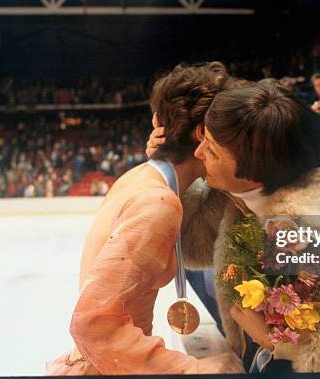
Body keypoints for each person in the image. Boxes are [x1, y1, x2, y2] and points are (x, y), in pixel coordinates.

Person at [151, 83, 320, 372]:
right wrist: (171, 167)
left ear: (252, 176)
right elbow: (195, 245)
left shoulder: (313, 233)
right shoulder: (265, 176)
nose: (198, 152)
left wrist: (274, 341)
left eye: (212, 150)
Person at [45, 62, 244, 376]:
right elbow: (91, 324)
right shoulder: (158, 201)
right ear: (203, 134)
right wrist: (188, 369)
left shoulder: (143, 177)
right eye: (231, 133)